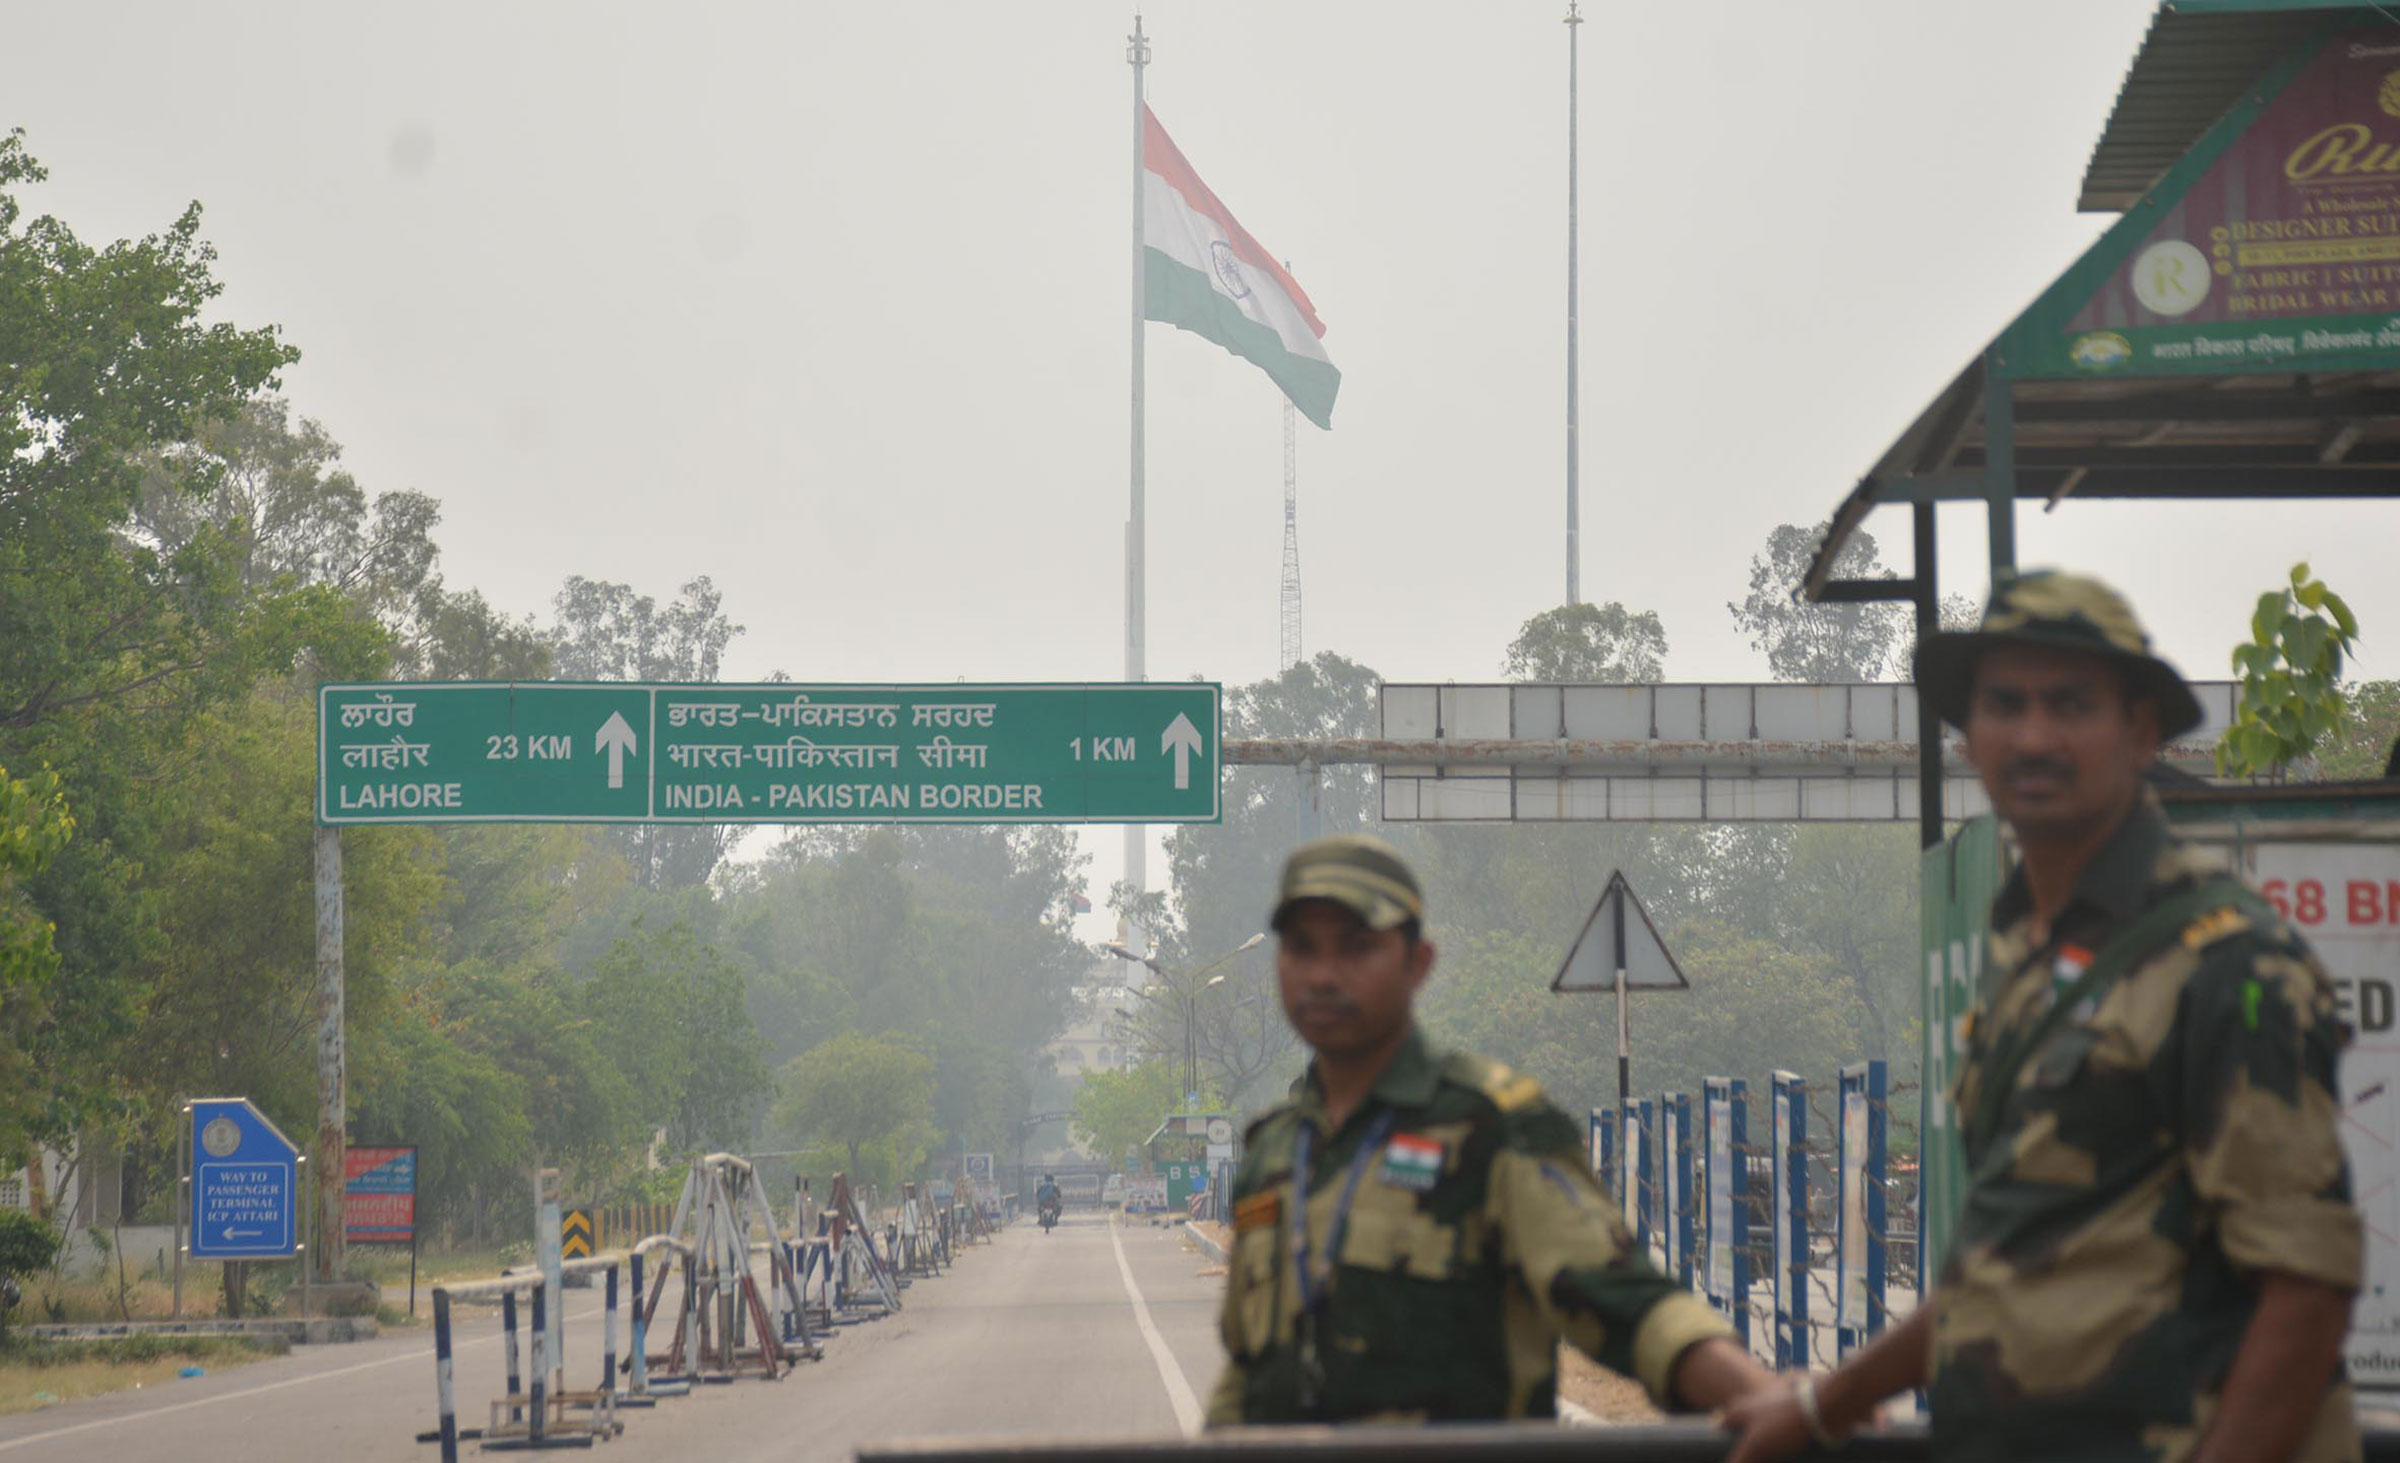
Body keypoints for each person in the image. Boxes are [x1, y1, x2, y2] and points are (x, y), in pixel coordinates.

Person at [1725, 570, 2363, 1463]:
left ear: (2141, 730)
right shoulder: (2032, 957)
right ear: (1968, 732)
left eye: (2072, 704)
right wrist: (1826, 1402)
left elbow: (2304, 1294)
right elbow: (2006, 1268)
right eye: (2005, 703)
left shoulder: (2228, 964)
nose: (2034, 736)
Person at [1207, 834, 1775, 1426]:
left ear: (1417, 963)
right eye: (1302, 948)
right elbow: (1250, 1370)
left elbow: (1628, 1302)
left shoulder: (1492, 1126)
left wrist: (1761, 1395)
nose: (1323, 975)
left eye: (1356, 947)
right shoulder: (1275, 1150)